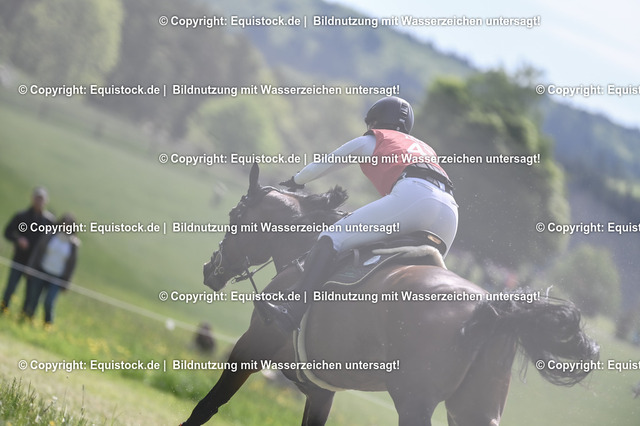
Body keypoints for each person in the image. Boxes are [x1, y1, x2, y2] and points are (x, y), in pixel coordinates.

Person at [261, 96, 459, 332]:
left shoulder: (374, 139)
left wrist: (296, 180)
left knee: (331, 237)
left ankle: (292, 311)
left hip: (415, 197)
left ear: (374, 121)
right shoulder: (426, 149)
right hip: (449, 215)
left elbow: (326, 163)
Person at [1, 187, 55, 314]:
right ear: (32, 198)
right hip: (19, 259)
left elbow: (53, 242)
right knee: (11, 286)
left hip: (36, 264)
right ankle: (3, 309)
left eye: (41, 199)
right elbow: (7, 232)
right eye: (37, 198)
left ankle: (25, 315)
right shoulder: (21, 216)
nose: (38, 201)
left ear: (46, 201)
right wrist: (18, 239)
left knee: (31, 293)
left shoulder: (49, 221)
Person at [24, 213, 80, 326]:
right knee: (34, 298)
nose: (66, 226)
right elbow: (37, 251)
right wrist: (30, 267)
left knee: (49, 302)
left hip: (57, 277)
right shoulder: (50, 235)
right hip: (42, 270)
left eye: (69, 224)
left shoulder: (74, 244)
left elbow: (72, 266)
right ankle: (28, 320)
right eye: (64, 223)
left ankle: (48, 325)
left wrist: (67, 282)